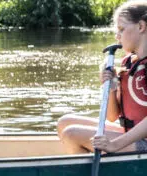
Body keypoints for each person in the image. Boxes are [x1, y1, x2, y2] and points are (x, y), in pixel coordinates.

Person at [57, 1, 147, 154]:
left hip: (142, 144)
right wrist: (110, 86)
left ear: (140, 27)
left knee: (72, 134)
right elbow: (112, 116)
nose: (117, 36)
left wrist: (115, 144)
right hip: (133, 137)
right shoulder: (129, 64)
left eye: (121, 29)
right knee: (64, 123)